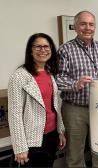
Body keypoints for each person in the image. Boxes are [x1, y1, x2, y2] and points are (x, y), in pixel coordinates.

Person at [57, 11, 98, 167]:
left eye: (91, 24)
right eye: (83, 24)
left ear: (95, 27)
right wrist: (76, 84)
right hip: (75, 109)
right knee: (75, 154)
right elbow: (58, 80)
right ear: (75, 27)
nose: (87, 28)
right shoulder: (65, 50)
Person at [8, 33, 66, 167]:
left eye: (46, 46)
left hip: (51, 136)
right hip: (31, 140)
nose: (43, 50)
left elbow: (55, 105)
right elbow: (14, 114)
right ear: (30, 50)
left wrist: (60, 131)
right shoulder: (19, 76)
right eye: (38, 47)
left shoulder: (49, 73)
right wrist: (20, 147)